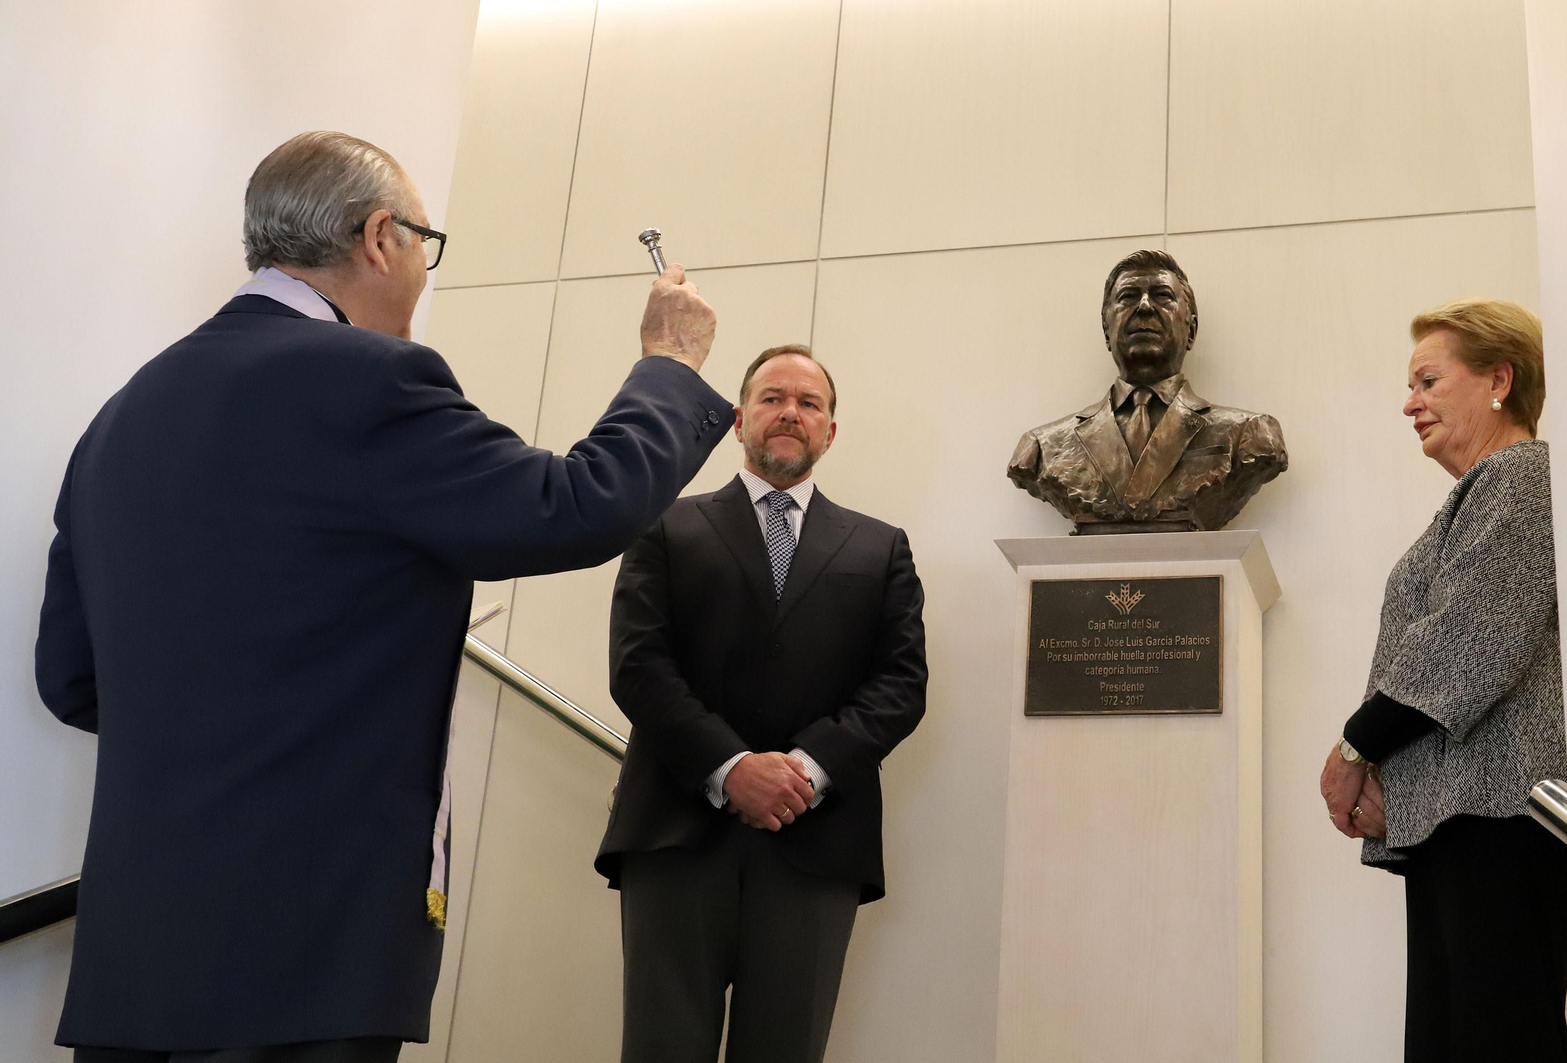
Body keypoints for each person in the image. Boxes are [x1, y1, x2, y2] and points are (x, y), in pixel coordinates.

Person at [34, 131, 732, 1063]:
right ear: (378, 237)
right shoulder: (365, 378)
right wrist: (670, 368)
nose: (421, 275)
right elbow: (572, 507)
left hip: (136, 949)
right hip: (306, 942)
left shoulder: (120, 417)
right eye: (424, 246)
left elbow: (72, 679)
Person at [595, 344, 928, 1063]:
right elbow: (638, 665)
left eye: (810, 403)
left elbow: (900, 685)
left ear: (830, 431)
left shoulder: (881, 548)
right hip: (676, 832)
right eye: (774, 397)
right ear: (742, 418)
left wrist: (804, 769)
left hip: (817, 845)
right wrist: (730, 765)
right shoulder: (663, 524)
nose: (791, 412)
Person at [1318, 299, 1567, 1061]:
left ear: (1500, 378)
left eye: (1428, 379)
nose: (1409, 402)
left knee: (1498, 1038)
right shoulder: (1478, 492)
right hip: (1453, 821)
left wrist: (1356, 747)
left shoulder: (1525, 477)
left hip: (1499, 817)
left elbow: (1469, 638)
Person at [1007, 249, 1287, 532]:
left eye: (1162, 295)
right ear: (1106, 330)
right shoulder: (1043, 447)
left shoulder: (1248, 435)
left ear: (1191, 330)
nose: (1143, 306)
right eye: (1127, 296)